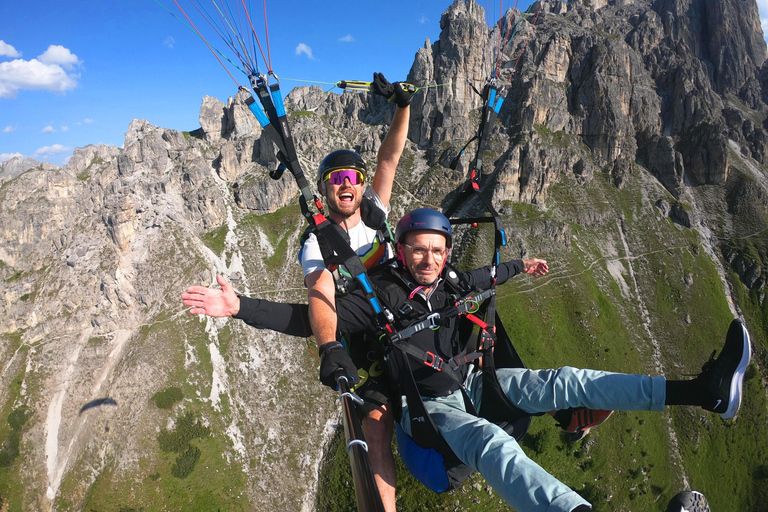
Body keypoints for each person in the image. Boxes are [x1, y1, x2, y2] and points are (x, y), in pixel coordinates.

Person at [322, 208, 752, 512]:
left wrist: (522, 265)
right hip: (428, 410)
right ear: (400, 250)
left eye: (437, 251)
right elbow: (311, 314)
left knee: (566, 381)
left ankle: (703, 392)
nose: (428, 259)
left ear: (446, 253)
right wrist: (326, 344)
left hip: (472, 383)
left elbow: (488, 276)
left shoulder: (449, 281)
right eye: (418, 250)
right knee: (492, 443)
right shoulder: (380, 296)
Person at [182, 72, 413, 512]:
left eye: (353, 177)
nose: (346, 184)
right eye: (336, 178)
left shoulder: (375, 212)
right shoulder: (316, 244)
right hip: (370, 335)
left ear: (361, 184)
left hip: (407, 312)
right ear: (325, 189)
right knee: (375, 427)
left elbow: (390, 156)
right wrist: (324, 345)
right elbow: (319, 298)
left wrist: (402, 106)